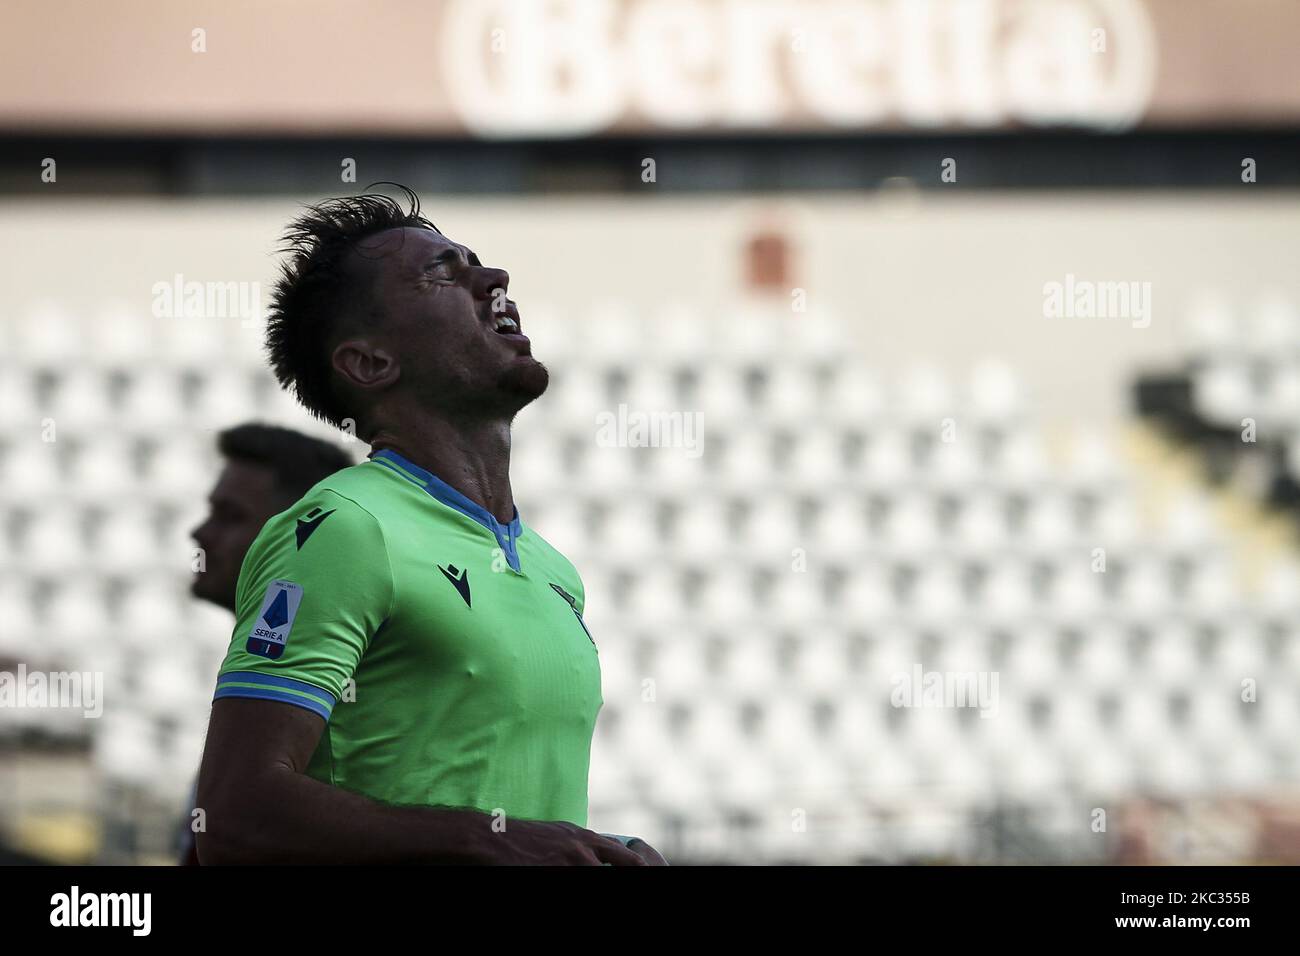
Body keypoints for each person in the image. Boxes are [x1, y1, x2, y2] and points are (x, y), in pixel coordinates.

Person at [195, 187, 666, 865]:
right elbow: (234, 815)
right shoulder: (345, 527)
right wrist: (488, 844)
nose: (494, 280)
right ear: (369, 362)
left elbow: (517, 823)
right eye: (444, 273)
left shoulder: (552, 570)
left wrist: (598, 852)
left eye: (477, 263)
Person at [179, 423, 354, 864]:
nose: (199, 533)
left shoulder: (330, 700)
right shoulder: (260, 674)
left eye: (230, 515)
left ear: (294, 536)